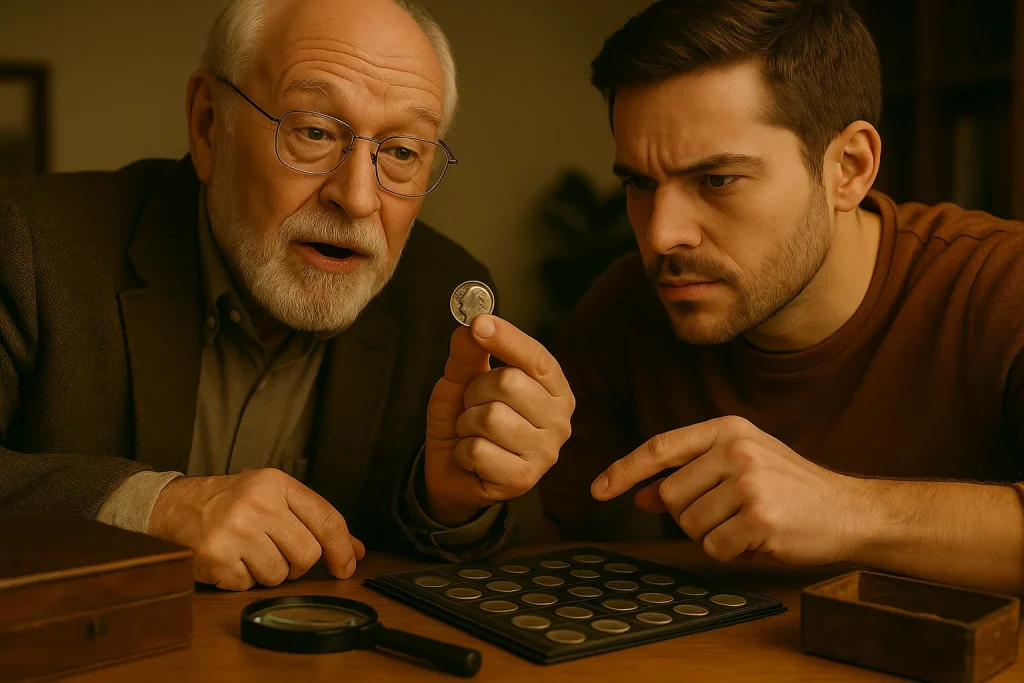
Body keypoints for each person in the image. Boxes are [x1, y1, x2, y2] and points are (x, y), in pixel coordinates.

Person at [0, 0, 574, 591]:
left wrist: (451, 503)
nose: (357, 199)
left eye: (402, 152)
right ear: (206, 125)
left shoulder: (444, 297)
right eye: (315, 132)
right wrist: (155, 509)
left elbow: (505, 535)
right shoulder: (30, 245)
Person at [540, 0, 1024, 595]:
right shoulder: (623, 307)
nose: (662, 235)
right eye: (639, 182)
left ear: (850, 167)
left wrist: (846, 512)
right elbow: (536, 537)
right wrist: (463, 493)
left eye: (716, 180)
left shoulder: (1003, 285)